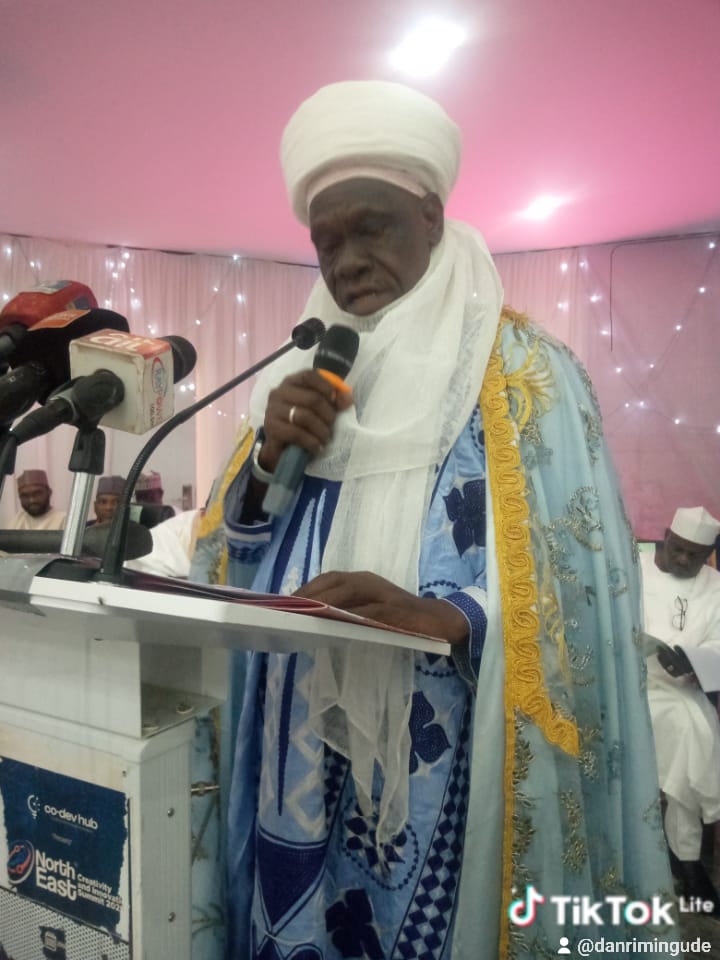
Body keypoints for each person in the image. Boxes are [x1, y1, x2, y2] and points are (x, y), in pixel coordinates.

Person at [190, 81, 675, 958]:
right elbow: (235, 553)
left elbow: (584, 585)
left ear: (431, 216)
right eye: (327, 243)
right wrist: (264, 464)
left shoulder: (526, 373)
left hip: (445, 742)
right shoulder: (304, 368)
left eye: (370, 228)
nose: (346, 262)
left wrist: (455, 615)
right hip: (296, 743)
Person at [641, 505, 720, 910]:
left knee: (694, 730)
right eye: (679, 549)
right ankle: (685, 859)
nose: (685, 559)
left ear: (709, 553)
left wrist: (695, 663)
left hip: (685, 690)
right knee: (692, 736)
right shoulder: (634, 569)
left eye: (696, 555)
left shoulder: (716, 586)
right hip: (634, 687)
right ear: (666, 536)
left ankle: (685, 857)